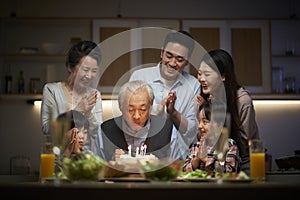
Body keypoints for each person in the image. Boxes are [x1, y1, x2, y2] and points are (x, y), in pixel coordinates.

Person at [129, 30, 200, 158]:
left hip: (179, 160)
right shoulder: (139, 77)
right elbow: (129, 121)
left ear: (187, 62)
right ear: (161, 53)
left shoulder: (194, 85)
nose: (172, 63)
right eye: (169, 55)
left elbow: (192, 131)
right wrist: (155, 115)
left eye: (179, 59)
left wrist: (173, 113)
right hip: (142, 157)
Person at [196, 48, 260, 175]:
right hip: (210, 168)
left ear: (223, 76)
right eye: (199, 73)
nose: (201, 79)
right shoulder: (203, 100)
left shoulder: (242, 100)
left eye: (207, 74)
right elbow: (201, 139)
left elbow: (243, 145)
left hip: (242, 169)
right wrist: (205, 113)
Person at [41, 40, 103, 153]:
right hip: (57, 160)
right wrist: (77, 111)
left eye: (94, 71)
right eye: (85, 69)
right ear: (70, 67)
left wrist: (88, 114)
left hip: (85, 160)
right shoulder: (51, 90)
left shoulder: (95, 95)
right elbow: (47, 130)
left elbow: (97, 134)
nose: (89, 75)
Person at [100, 80, 178, 162]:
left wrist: (160, 166)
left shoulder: (168, 129)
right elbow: (94, 169)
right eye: (130, 110)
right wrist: (110, 164)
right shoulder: (105, 130)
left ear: (151, 106)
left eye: (143, 109)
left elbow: (178, 167)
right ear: (120, 106)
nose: (136, 116)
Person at [182, 101, 241, 175]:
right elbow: (184, 172)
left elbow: (229, 173)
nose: (200, 126)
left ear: (219, 124)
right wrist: (196, 159)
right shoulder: (196, 146)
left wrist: (206, 160)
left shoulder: (229, 145)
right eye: (199, 121)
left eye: (205, 122)